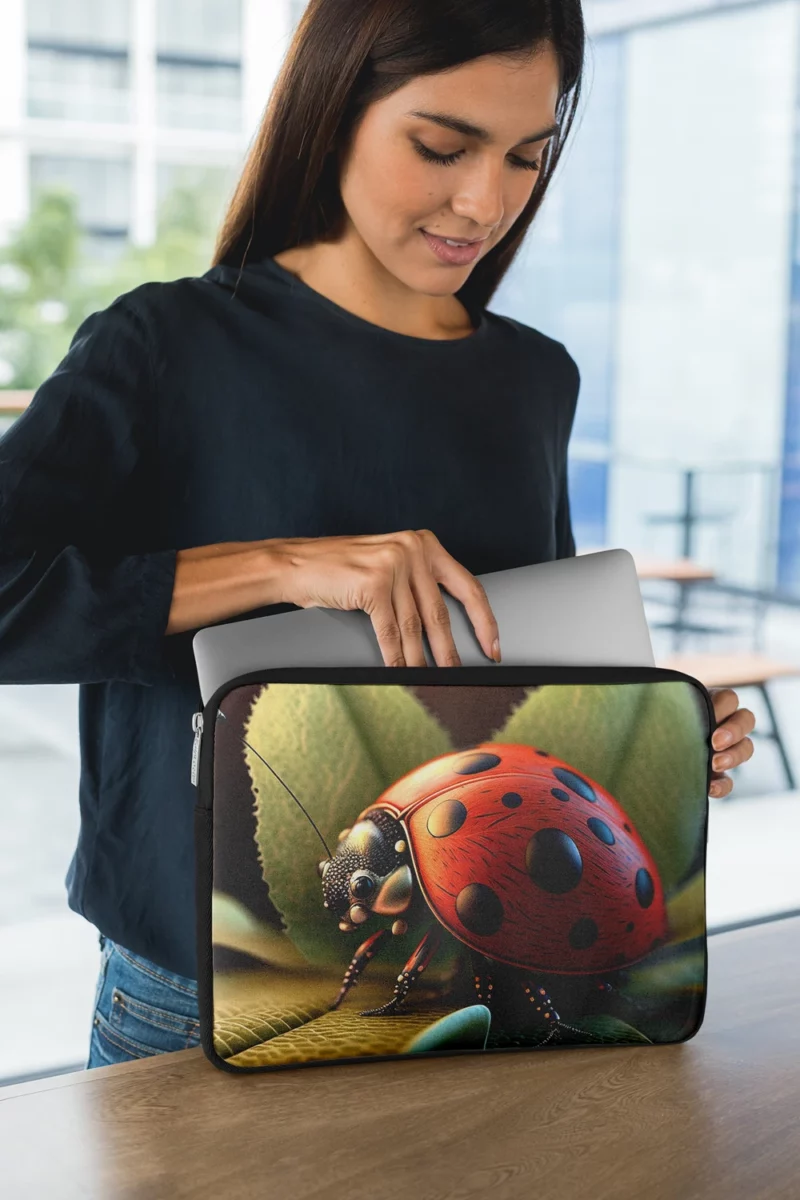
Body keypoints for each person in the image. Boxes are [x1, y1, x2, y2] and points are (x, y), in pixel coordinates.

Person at [0, 0, 755, 1069]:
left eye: (524, 158)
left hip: (474, 981)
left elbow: (516, 675)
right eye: (440, 147)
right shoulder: (164, 344)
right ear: (333, 107)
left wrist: (667, 733)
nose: (482, 201)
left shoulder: (535, 378)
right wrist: (288, 567)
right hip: (196, 996)